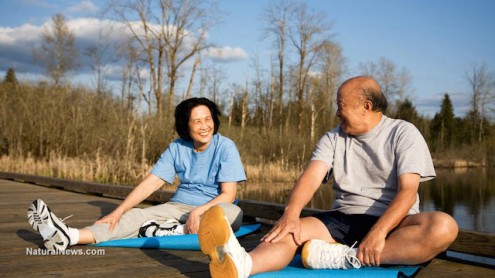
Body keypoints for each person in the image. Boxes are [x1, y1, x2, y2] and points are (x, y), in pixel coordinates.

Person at [198, 76, 459, 277]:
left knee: (444, 227)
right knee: (290, 231)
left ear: (365, 106)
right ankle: (244, 265)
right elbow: (311, 177)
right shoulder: (334, 137)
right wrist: (291, 214)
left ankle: (346, 256)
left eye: (341, 105)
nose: (337, 112)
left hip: (394, 223)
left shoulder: (403, 132)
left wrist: (379, 231)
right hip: (343, 219)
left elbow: (407, 192)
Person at [27, 97, 246, 251]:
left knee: (232, 215)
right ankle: (69, 236)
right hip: (178, 207)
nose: (204, 125)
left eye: (208, 119)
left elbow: (228, 194)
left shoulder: (225, 147)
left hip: (214, 207)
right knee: (133, 217)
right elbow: (151, 183)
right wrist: (119, 210)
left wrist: (198, 212)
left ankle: (172, 229)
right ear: (186, 126)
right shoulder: (178, 147)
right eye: (197, 121)